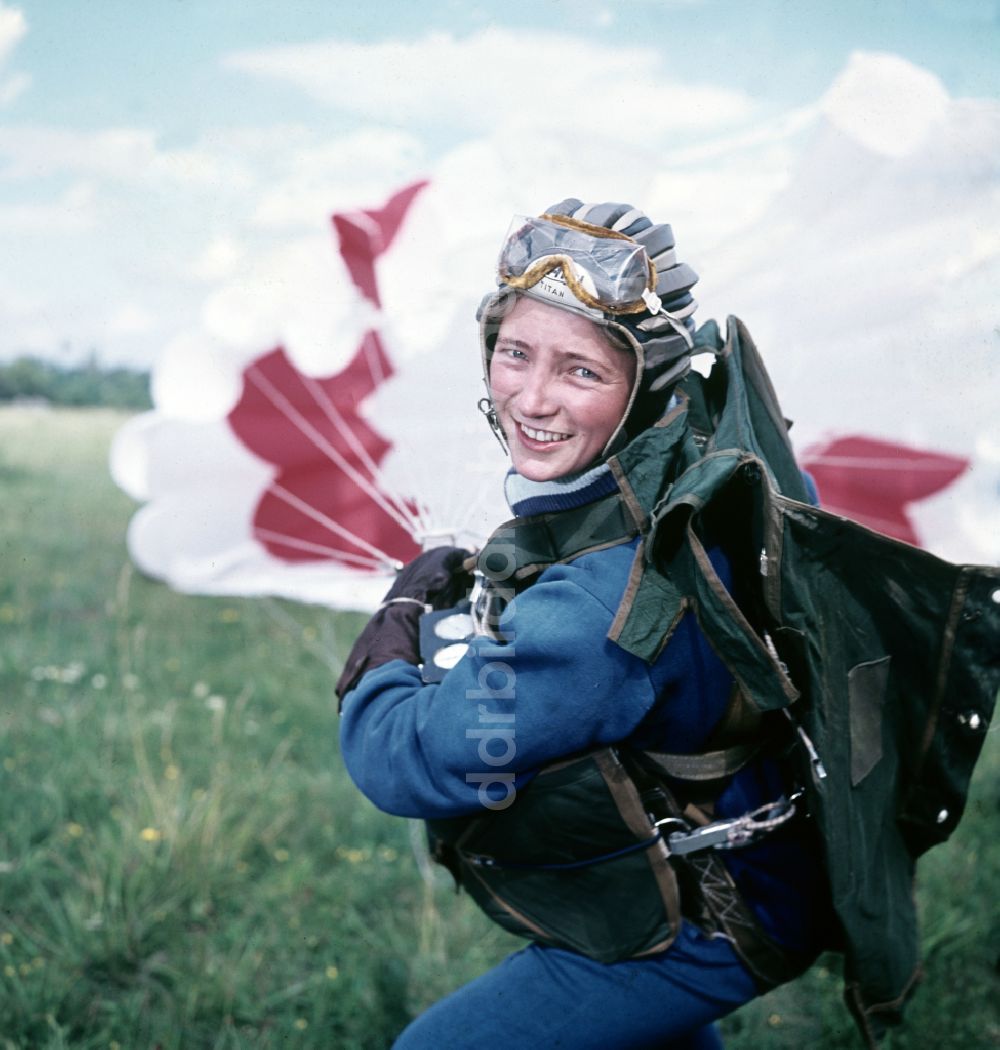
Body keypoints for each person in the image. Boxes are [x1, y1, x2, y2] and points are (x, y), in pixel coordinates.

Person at [336, 200, 832, 1049]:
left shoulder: (599, 608)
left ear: (645, 386)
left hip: (709, 921)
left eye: (580, 371)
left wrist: (394, 628)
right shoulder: (725, 471)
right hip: (769, 870)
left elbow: (416, 761)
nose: (531, 397)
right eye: (514, 352)